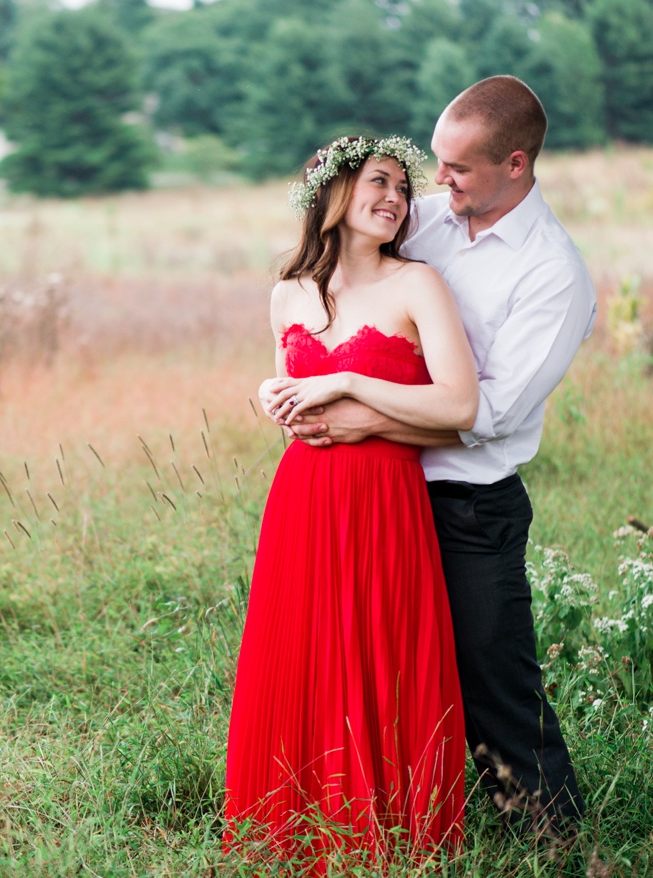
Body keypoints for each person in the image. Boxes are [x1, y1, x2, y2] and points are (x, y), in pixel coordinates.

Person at [280, 76, 597, 837]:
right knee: (369, 666)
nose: (435, 182)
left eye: (457, 168)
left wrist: (357, 417)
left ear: (515, 165)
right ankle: (372, 812)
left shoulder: (553, 274)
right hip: (371, 495)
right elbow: (345, 262)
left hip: (466, 504)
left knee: (491, 679)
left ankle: (549, 836)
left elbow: (487, 413)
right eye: (435, 162)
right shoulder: (427, 220)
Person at [225, 134, 478, 866]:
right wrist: (277, 400)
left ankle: (388, 828)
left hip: (385, 497)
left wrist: (350, 384)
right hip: (303, 497)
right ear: (330, 192)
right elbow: (292, 405)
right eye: (380, 181)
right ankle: (298, 823)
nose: (396, 199)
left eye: (403, 187)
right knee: (304, 654)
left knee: (376, 651)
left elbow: (459, 404)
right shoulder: (287, 295)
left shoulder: (417, 285)